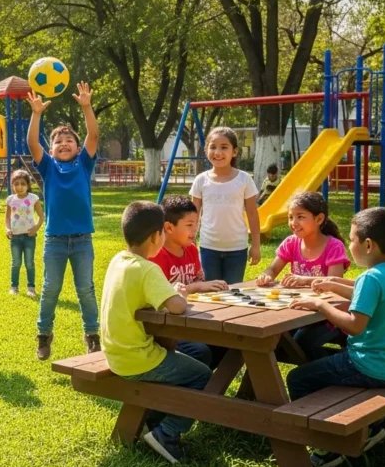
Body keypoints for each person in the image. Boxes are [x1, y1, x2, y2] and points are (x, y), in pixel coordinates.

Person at [287, 207, 385, 467]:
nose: (349, 245)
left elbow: (355, 326)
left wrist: (320, 306)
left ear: (368, 245)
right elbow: (364, 289)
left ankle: (327, 449)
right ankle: (377, 425)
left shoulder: (370, 278)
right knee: (319, 360)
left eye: (352, 240)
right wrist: (332, 284)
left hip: (369, 366)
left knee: (298, 378)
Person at [101, 201, 211, 464]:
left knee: (187, 362)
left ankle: (154, 419)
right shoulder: (147, 269)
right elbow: (176, 307)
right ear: (156, 236)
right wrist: (179, 293)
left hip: (114, 352)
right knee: (203, 375)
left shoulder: (119, 260)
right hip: (137, 357)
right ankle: (167, 432)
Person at [26, 81, 101, 360]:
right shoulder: (48, 166)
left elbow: (93, 134)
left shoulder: (84, 163)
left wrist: (86, 106)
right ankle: (44, 336)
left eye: (69, 140)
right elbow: (33, 143)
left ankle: (92, 336)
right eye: (58, 141)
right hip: (55, 241)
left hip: (82, 240)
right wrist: (36, 113)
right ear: (52, 148)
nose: (64, 144)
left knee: (86, 289)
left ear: (78, 146)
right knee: (50, 289)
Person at [255, 192, 350, 360]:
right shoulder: (291, 242)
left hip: (328, 316)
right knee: (267, 335)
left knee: (300, 342)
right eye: (291, 217)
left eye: (300, 217)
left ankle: (323, 374)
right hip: (296, 312)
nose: (293, 223)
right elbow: (272, 269)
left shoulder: (334, 246)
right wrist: (266, 276)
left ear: (319, 219)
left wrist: (304, 280)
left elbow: (334, 284)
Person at [149, 195, 228, 366]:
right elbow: (163, 298)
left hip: (193, 319)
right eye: (190, 225)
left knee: (228, 344)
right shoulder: (157, 256)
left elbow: (197, 283)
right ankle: (199, 384)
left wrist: (206, 287)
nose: (195, 230)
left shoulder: (191, 250)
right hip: (166, 329)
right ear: (169, 227)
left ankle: (211, 386)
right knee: (202, 352)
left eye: (197, 224)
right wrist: (196, 286)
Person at [189, 127, 261, 284]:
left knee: (233, 294)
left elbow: (253, 214)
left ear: (234, 151)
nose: (218, 152)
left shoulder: (244, 179)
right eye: (213, 146)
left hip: (237, 250)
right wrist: (190, 241)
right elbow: (193, 215)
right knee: (209, 292)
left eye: (224, 147)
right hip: (208, 248)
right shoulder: (201, 180)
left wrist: (256, 245)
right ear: (206, 150)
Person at [5, 169, 43, 297]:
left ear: (28, 185)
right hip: (15, 237)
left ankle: (31, 287)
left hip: (29, 237)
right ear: (12, 185)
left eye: (22, 184)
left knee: (29, 263)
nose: (19, 187)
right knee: (15, 263)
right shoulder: (10, 200)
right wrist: (7, 229)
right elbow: (7, 217)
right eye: (16, 184)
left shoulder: (33, 198)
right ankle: (14, 287)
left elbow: (41, 216)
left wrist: (36, 228)